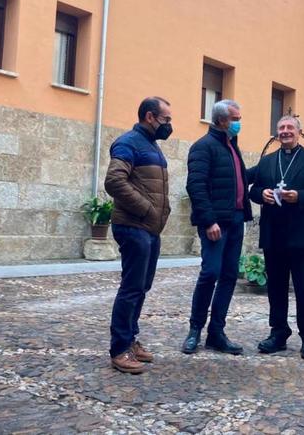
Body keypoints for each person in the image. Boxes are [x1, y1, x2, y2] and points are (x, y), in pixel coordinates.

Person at [249, 115, 304, 360]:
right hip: (273, 233)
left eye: (289, 128)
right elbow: (251, 187)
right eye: (281, 128)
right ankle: (278, 333)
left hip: (302, 233)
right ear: (276, 133)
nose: (285, 131)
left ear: (299, 132)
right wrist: (259, 193)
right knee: (275, 287)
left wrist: (300, 196)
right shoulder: (266, 161)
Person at [104, 96, 173, 374]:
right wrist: (146, 209)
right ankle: (119, 349)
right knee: (131, 288)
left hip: (148, 228)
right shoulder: (128, 143)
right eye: (166, 119)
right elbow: (114, 181)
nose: (169, 124)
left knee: (141, 287)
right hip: (134, 227)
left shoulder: (152, 145)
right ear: (149, 117)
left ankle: (130, 339)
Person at [181, 100, 253, 355]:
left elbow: (236, 179)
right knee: (210, 273)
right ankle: (195, 329)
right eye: (236, 118)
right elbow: (196, 186)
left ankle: (216, 332)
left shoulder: (232, 147)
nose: (239, 122)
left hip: (235, 220)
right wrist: (209, 220)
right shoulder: (203, 147)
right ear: (222, 120)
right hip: (215, 223)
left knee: (230, 275)